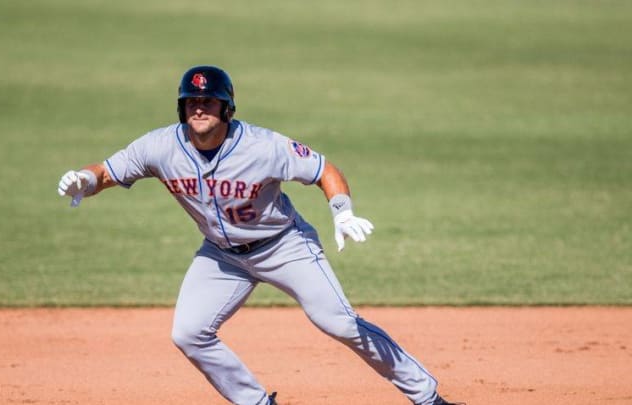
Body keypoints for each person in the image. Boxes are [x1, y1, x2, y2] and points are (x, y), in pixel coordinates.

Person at [57, 65, 461, 405]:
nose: (199, 109)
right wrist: (85, 181)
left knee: (338, 322)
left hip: (284, 245)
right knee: (189, 333)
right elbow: (109, 170)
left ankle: (427, 397)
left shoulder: (263, 146)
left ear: (227, 108)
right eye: (191, 102)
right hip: (221, 255)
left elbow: (324, 170)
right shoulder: (160, 146)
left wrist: (342, 212)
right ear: (182, 108)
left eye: (208, 102)